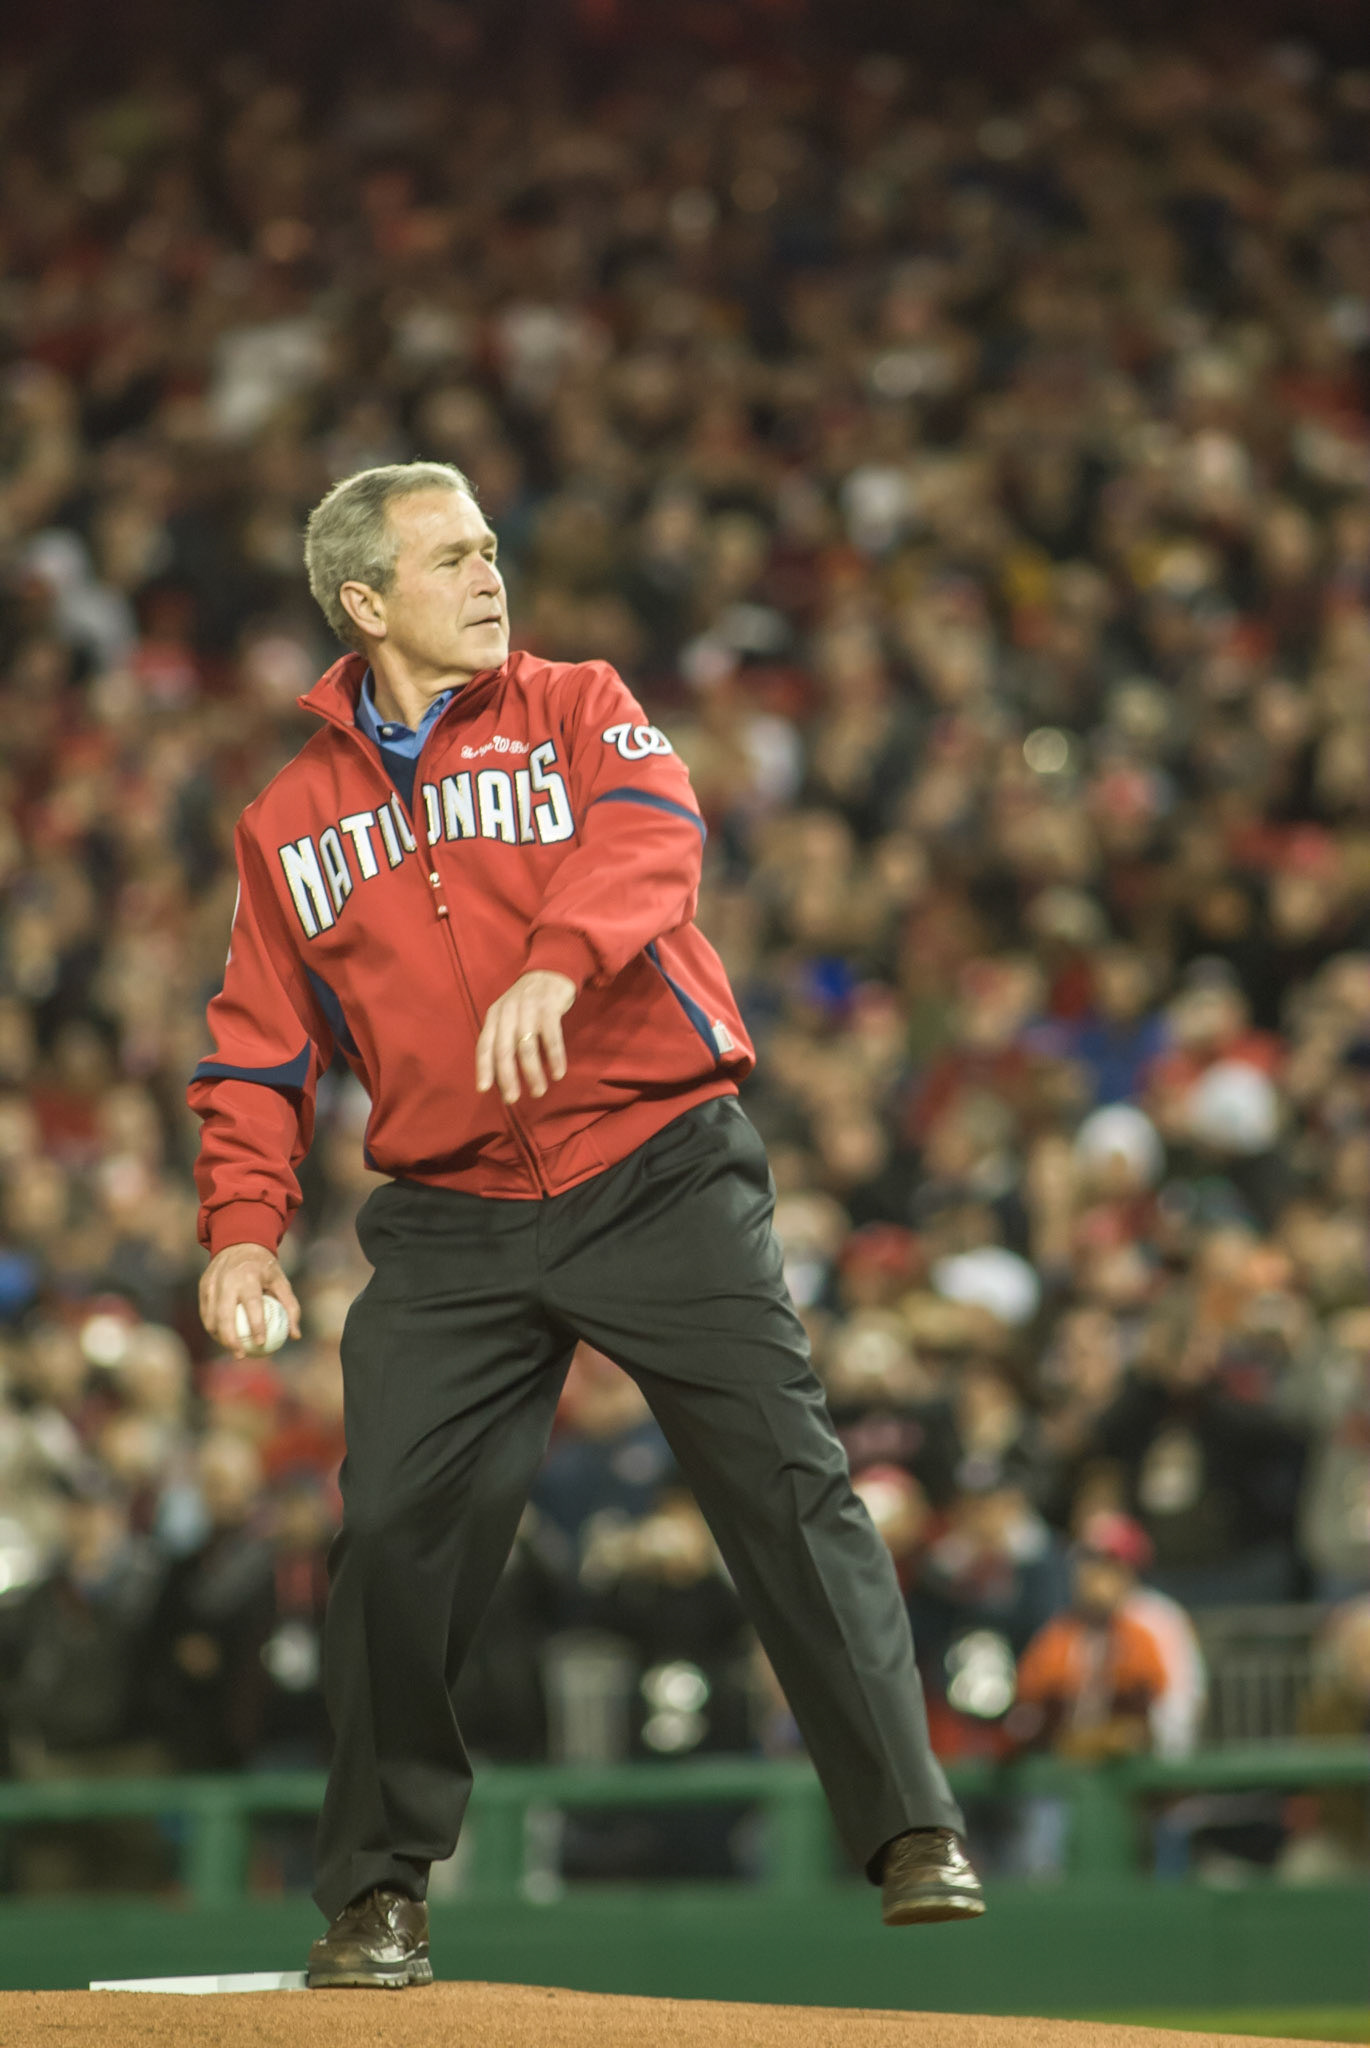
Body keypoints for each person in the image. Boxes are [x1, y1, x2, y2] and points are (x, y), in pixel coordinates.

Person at [188, 460, 982, 1989]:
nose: (492, 576)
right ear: (365, 603)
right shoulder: (288, 819)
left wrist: (556, 964)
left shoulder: (578, 704)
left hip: (654, 1163)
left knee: (784, 1478)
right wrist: (239, 1231)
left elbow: (649, 832)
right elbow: (255, 1047)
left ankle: (907, 1832)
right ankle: (378, 1896)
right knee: (399, 1542)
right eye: (452, 558)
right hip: (452, 1217)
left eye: (492, 547)